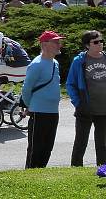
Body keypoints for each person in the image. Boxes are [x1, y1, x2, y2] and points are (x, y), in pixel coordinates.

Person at [23, 30, 64, 169]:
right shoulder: (36, 64)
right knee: (36, 148)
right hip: (39, 112)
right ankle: (30, 175)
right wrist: (30, 106)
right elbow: (26, 89)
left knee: (47, 147)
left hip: (53, 112)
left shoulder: (55, 63)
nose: (60, 45)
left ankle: (41, 173)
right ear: (45, 45)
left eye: (59, 42)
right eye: (56, 42)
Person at [66, 30, 106, 167]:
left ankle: (103, 169)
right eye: (96, 42)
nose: (100, 44)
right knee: (80, 142)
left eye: (101, 41)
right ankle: (76, 169)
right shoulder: (79, 61)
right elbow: (70, 84)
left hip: (103, 109)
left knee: (103, 143)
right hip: (85, 108)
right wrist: (78, 103)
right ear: (87, 45)